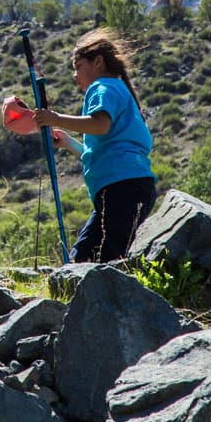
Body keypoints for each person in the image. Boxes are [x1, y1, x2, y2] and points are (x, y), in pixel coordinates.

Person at [32, 29, 156, 263]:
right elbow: (102, 151)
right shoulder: (120, 91)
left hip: (121, 189)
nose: (74, 75)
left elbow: (101, 125)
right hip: (129, 185)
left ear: (98, 61)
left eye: (78, 66)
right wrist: (68, 143)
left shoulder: (102, 88)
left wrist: (55, 118)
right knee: (83, 258)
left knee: (107, 262)